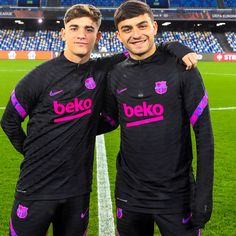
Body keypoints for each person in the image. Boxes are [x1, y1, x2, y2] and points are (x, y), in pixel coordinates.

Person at [1, 4, 198, 236]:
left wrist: (174, 45)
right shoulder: (38, 77)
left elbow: (142, 47)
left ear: (98, 35)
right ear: (63, 33)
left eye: (89, 29)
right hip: (34, 189)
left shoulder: (102, 69)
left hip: (77, 191)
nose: (81, 35)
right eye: (74, 28)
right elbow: (9, 121)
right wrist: (32, 153)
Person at [100, 1, 214, 236]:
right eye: (127, 29)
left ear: (154, 26)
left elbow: (204, 135)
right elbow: (109, 120)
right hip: (130, 194)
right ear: (118, 35)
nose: (136, 34)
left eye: (142, 26)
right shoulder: (115, 73)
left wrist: (203, 194)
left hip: (176, 196)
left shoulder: (183, 68)